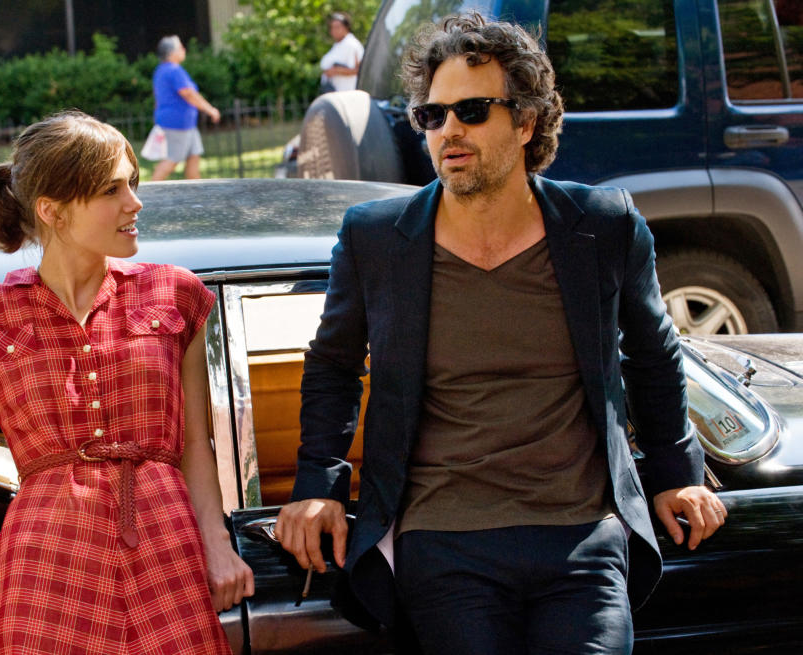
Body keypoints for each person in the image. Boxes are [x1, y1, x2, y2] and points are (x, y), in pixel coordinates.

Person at [276, 12, 727, 655]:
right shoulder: (376, 238)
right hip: (442, 537)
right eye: (433, 116)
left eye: (473, 110)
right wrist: (319, 490)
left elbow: (653, 355)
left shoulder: (601, 225)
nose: (449, 131)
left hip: (582, 532)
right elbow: (332, 367)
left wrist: (674, 473)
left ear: (526, 121)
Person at [0, 111, 253, 654]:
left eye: (132, 183)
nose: (135, 203)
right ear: (53, 212)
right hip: (46, 571)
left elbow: (195, 449)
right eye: (113, 189)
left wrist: (217, 542)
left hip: (167, 555)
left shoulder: (173, 295)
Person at [151, 36, 221, 181]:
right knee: (172, 159)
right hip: (177, 124)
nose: (184, 50)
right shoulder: (173, 70)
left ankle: (196, 193)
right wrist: (210, 110)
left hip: (185, 124)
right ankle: (148, 192)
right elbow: (188, 94)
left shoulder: (162, 70)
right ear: (172, 52)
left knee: (193, 157)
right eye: (181, 47)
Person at [319, 11, 365, 93]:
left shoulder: (352, 44)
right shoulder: (338, 44)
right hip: (336, 93)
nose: (334, 31)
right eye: (332, 27)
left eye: (337, 27)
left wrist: (336, 70)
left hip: (347, 94)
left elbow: (360, 69)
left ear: (346, 27)